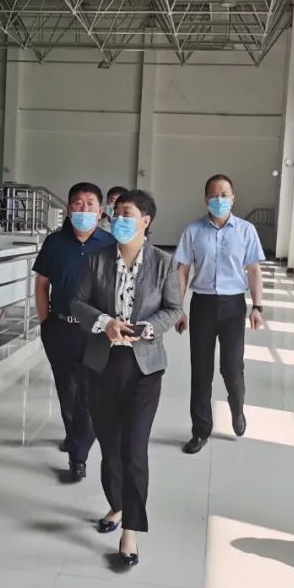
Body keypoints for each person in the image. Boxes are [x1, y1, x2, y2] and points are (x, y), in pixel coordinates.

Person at [72, 190, 182, 566]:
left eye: (127, 213)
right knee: (110, 445)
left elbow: (174, 308)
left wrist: (146, 328)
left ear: (145, 221)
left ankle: (131, 530)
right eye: (116, 213)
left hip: (144, 368)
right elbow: (77, 303)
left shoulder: (163, 263)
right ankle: (117, 504)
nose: (119, 219)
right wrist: (105, 323)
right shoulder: (96, 260)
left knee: (134, 449)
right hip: (102, 364)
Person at [173, 174, 266, 454]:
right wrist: (178, 307)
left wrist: (257, 306)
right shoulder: (193, 231)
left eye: (224, 194)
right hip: (202, 305)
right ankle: (200, 430)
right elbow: (182, 270)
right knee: (201, 371)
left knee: (232, 368)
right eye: (214, 195)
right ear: (206, 199)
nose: (219, 199)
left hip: (233, 306)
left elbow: (254, 270)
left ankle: (237, 408)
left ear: (233, 198)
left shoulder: (246, 230)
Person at [33, 182, 116, 481]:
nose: (84, 208)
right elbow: (42, 285)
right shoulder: (55, 243)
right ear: (68, 209)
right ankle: (74, 436)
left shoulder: (110, 244)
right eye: (78, 203)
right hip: (59, 327)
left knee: (91, 392)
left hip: (96, 331)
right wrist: (45, 322)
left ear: (100, 210)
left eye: (90, 203)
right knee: (67, 389)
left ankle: (79, 456)